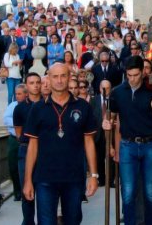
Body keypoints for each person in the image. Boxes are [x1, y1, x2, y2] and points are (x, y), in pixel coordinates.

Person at [22, 63, 99, 225]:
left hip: (74, 177)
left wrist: (93, 175)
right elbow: (32, 146)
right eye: (55, 76)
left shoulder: (83, 107)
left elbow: (89, 142)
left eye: (63, 76)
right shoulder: (37, 109)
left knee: (73, 220)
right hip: (45, 178)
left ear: (69, 77)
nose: (59, 80)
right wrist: (28, 179)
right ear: (48, 79)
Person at [105, 56, 152, 225]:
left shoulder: (151, 90)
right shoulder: (117, 92)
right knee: (127, 193)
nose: (132, 79)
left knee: (150, 193)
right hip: (127, 146)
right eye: (129, 75)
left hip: (150, 145)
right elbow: (113, 120)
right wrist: (109, 132)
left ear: (142, 72)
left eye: (135, 75)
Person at [14, 73, 43, 225]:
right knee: (27, 190)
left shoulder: (47, 104)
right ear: (27, 85)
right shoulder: (19, 108)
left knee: (46, 190)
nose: (36, 85)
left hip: (45, 151)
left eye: (38, 82)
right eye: (32, 83)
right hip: (26, 150)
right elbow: (18, 133)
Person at [4, 84, 26, 202]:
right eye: (16, 94)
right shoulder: (12, 106)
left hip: (26, 139)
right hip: (13, 138)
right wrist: (18, 122)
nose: (17, 96)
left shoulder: (29, 106)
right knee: (13, 166)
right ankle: (17, 191)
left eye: (19, 94)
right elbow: (6, 119)